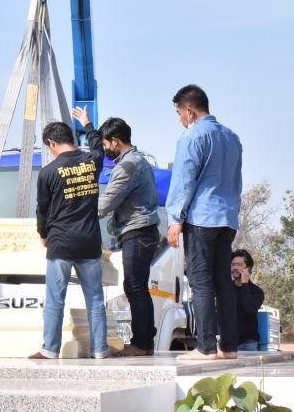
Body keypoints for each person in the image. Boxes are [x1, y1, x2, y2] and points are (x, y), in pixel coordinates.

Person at [165, 84, 243, 362]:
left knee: (200, 282)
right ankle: (230, 347)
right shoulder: (232, 137)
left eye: (179, 113)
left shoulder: (192, 136)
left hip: (201, 218)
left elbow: (184, 180)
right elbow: (236, 181)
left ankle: (206, 346)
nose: (180, 119)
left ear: (189, 110)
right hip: (227, 218)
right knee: (223, 282)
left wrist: (175, 218)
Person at [29, 107, 111, 360]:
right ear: (71, 140)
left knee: (55, 300)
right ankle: (100, 350)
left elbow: (42, 210)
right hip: (89, 242)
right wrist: (87, 123)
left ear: (52, 143)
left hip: (61, 244)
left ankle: (50, 350)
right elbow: (99, 147)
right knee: (95, 300)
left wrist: (43, 234)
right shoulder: (91, 162)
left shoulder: (48, 172)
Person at [97, 117, 160, 356]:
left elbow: (106, 202)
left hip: (137, 231)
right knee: (137, 287)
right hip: (141, 231)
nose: (105, 149)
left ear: (115, 141)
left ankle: (141, 344)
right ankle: (144, 342)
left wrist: (76, 213)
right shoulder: (138, 160)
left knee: (135, 287)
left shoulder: (127, 165)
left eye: (105, 144)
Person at [231, 249, 265, 351]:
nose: (235, 268)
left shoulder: (257, 292)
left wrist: (245, 284)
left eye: (239, 265)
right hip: (226, 343)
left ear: (248, 269)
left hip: (247, 345)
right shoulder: (225, 289)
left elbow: (249, 309)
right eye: (233, 264)